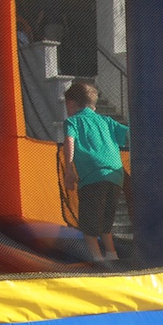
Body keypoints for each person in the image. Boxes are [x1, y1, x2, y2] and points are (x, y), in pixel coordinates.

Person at [62, 81, 129, 262]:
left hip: (93, 177)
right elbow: (130, 134)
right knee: (105, 222)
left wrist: (69, 169)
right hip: (115, 175)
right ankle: (112, 254)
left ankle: (97, 260)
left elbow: (69, 141)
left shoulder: (73, 121)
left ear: (71, 104)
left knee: (88, 226)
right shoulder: (107, 121)